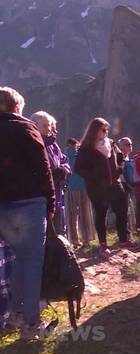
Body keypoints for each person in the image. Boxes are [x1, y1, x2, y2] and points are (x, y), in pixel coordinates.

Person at [0, 87, 55, 339]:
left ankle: (15, 315)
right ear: (17, 107)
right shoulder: (25, 128)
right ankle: (31, 325)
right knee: (32, 262)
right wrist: (51, 202)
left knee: (19, 259)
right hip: (30, 204)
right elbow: (43, 169)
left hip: (3, 208)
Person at [74, 118, 134, 256]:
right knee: (101, 213)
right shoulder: (86, 148)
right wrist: (94, 176)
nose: (106, 132)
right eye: (103, 130)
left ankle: (123, 240)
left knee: (122, 209)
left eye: (107, 129)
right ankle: (103, 244)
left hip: (115, 184)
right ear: (95, 130)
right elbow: (78, 168)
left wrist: (119, 169)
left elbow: (120, 156)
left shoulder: (111, 144)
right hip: (97, 188)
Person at [31, 111, 71, 235]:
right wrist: (52, 175)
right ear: (34, 126)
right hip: (41, 197)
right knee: (44, 233)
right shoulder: (33, 144)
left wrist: (64, 170)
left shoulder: (53, 145)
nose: (49, 128)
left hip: (58, 193)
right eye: (45, 125)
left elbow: (64, 160)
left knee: (59, 230)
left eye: (49, 125)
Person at [65, 138, 95, 247]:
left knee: (72, 215)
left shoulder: (65, 157)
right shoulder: (80, 157)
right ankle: (86, 238)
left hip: (71, 188)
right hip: (80, 187)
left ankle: (74, 240)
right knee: (84, 214)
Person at [118, 137, 137, 235]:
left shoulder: (128, 158)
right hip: (121, 186)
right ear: (120, 146)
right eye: (127, 144)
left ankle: (129, 231)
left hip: (128, 186)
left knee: (128, 209)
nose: (130, 146)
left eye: (131, 144)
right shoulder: (118, 157)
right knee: (123, 210)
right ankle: (124, 233)